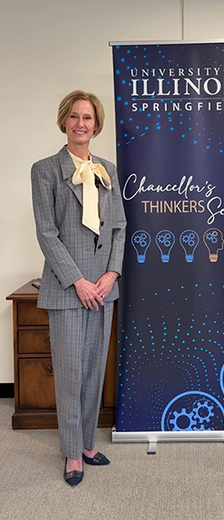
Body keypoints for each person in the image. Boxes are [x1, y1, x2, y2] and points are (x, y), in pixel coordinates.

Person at [31, 90, 127, 487]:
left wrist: (110, 275)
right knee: (70, 373)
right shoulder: (46, 169)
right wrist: (79, 280)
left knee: (92, 371)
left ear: (96, 125)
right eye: (74, 117)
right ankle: (72, 452)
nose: (81, 124)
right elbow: (47, 233)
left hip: (102, 288)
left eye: (87, 118)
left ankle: (87, 442)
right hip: (69, 287)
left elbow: (119, 227)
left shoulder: (107, 169)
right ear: (63, 122)